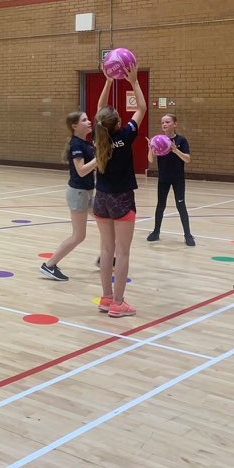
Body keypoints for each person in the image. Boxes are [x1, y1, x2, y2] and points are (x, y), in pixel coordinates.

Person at [93, 65, 146, 318]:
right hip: (122, 198)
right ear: (119, 123)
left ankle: (105, 298)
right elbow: (142, 109)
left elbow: (100, 111)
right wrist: (133, 81)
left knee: (106, 250)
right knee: (123, 252)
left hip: (101, 198)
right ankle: (118, 303)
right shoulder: (125, 136)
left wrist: (108, 82)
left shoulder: (98, 135)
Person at [40, 111, 97, 281]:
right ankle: (49, 265)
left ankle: (107, 257)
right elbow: (81, 171)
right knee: (79, 236)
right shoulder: (76, 145)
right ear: (74, 126)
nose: (88, 122)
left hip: (87, 192)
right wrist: (99, 158)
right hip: (78, 193)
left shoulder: (85, 143)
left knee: (104, 221)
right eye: (84, 120)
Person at [147, 114, 196, 246]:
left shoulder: (181, 140)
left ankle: (188, 235)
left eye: (167, 122)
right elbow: (151, 160)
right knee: (160, 205)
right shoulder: (158, 140)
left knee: (181, 205)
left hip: (178, 179)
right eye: (162, 122)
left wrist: (175, 150)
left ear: (174, 124)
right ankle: (156, 232)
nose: (164, 124)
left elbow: (187, 159)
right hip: (163, 178)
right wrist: (150, 149)